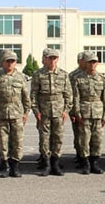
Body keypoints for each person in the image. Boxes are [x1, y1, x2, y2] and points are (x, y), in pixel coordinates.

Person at [30, 47, 73, 176]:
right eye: (50, 58)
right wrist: (36, 111)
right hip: (44, 112)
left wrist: (66, 110)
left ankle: (56, 163)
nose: (53, 61)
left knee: (58, 138)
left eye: (55, 58)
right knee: (44, 138)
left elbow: (68, 95)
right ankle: (47, 163)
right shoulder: (38, 74)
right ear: (45, 60)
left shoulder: (63, 75)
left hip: (59, 112)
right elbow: (33, 95)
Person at [0, 51, 31, 178]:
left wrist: (25, 113)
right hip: (2, 114)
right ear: (3, 62)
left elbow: (26, 98)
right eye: (7, 61)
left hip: (17, 114)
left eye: (12, 61)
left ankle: (15, 167)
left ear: (16, 63)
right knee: (3, 142)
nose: (10, 63)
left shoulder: (20, 77)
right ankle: (5, 165)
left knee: (17, 142)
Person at [70, 51, 105, 174]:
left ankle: (95, 163)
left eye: (94, 62)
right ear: (86, 63)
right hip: (84, 112)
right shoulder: (78, 78)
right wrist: (77, 113)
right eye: (90, 62)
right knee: (84, 139)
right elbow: (75, 98)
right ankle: (85, 163)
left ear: (97, 63)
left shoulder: (102, 78)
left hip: (98, 112)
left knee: (97, 139)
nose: (92, 64)